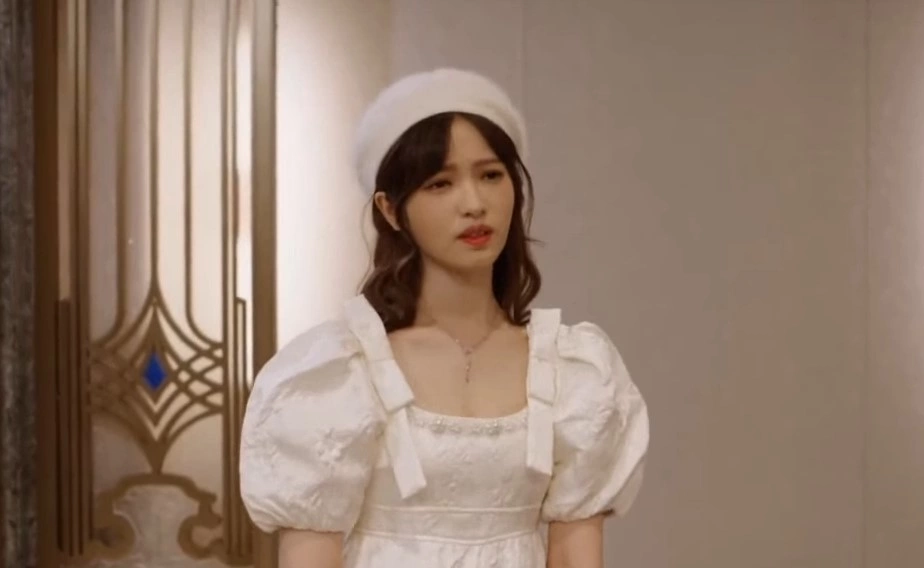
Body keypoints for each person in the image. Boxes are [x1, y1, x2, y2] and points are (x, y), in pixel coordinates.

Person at [239, 68, 650, 568]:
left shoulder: (574, 370)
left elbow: (575, 557)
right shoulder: (338, 374)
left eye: (491, 175)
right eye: (440, 183)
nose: (474, 204)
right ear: (390, 210)